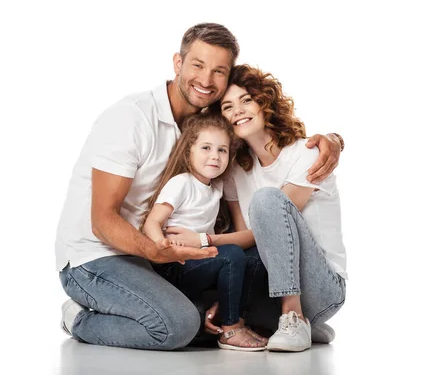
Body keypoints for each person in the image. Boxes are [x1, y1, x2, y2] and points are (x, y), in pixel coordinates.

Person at [55, 22, 343, 351]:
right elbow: (102, 221)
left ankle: (291, 318)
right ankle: (79, 318)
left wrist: (334, 140)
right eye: (197, 65)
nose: (206, 81)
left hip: (153, 259)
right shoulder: (132, 118)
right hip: (95, 257)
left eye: (219, 71)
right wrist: (157, 251)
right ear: (177, 63)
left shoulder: (210, 136)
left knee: (210, 311)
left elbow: (260, 222)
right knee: (179, 327)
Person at [203, 64, 347, 352]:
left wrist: (204, 242)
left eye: (246, 100)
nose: (238, 111)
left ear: (264, 102)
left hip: (321, 287)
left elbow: (262, 233)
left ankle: (294, 316)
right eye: (228, 107)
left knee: (266, 200)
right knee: (202, 318)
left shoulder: (307, 153)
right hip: (269, 288)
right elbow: (246, 249)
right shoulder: (234, 171)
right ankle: (297, 323)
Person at [142, 113, 267, 351]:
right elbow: (152, 222)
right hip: (175, 265)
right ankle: (230, 330)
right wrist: (163, 246)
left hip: (202, 261)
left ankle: (233, 316)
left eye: (222, 150)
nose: (214, 156)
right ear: (189, 151)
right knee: (231, 255)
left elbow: (242, 234)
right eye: (206, 148)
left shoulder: (217, 187)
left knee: (253, 256)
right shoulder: (182, 183)